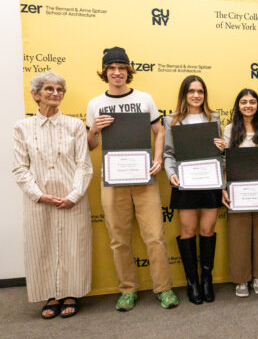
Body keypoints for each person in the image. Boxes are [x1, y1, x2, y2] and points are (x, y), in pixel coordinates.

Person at [86, 47, 178, 310]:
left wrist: (158, 159)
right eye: (112, 68)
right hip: (112, 181)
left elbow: (159, 131)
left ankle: (164, 289)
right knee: (119, 239)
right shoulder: (96, 103)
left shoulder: (144, 99)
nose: (117, 72)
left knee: (155, 237)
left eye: (121, 68)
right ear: (105, 72)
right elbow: (90, 145)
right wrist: (93, 130)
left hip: (144, 179)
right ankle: (127, 290)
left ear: (128, 71)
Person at [12, 72, 93, 319]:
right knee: (42, 246)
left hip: (73, 198)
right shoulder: (22, 128)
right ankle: (50, 294)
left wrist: (74, 195)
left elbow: (84, 165)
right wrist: (39, 195)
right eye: (49, 89)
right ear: (35, 94)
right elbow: (19, 167)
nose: (55, 93)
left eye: (59, 89)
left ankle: (71, 293)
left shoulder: (75, 126)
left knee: (73, 247)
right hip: (39, 201)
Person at [163, 75, 225, 304]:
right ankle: (192, 283)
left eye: (200, 91)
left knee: (207, 230)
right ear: (184, 94)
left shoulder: (214, 118)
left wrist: (223, 148)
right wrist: (171, 174)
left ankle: (207, 280)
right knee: (188, 231)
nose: (196, 95)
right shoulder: (172, 120)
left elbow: (221, 153)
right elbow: (168, 153)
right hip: (185, 182)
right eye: (191, 91)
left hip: (210, 181)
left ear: (204, 94)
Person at [221, 89, 258, 297]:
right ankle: (241, 279)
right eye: (244, 102)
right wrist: (224, 187)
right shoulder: (229, 129)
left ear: (257, 105)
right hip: (237, 186)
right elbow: (225, 160)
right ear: (238, 106)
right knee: (238, 233)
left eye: (252, 102)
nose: (248, 105)